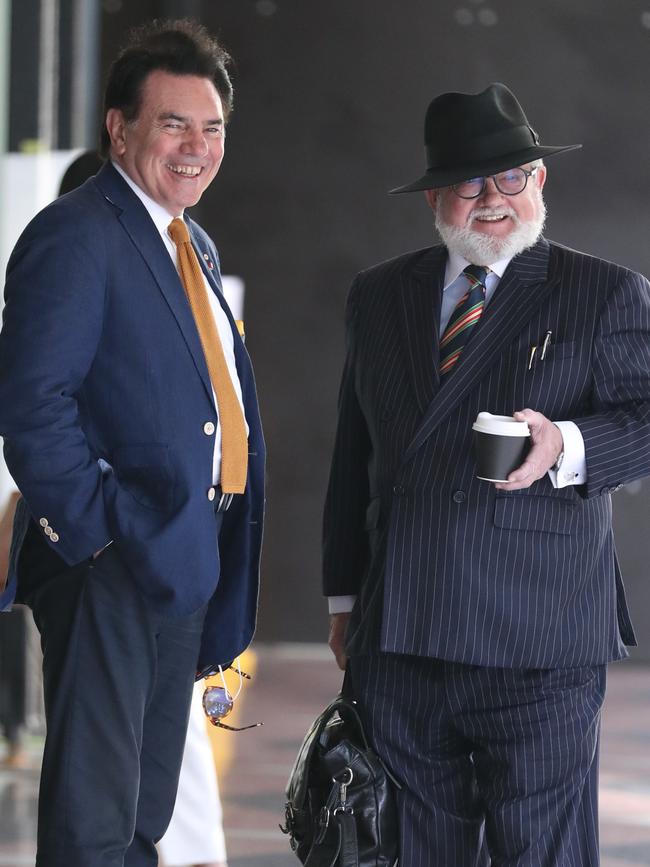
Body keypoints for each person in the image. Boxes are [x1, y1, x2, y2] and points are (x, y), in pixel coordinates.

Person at [323, 82, 650, 866]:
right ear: (436, 194)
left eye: (513, 177)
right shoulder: (379, 296)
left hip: (539, 641)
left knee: (543, 852)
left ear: (540, 180)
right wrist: (345, 599)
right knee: (414, 850)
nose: (494, 199)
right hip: (402, 634)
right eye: (472, 182)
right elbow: (352, 457)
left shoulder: (602, 293)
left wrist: (566, 443)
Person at [0, 19, 265, 867]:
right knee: (92, 823)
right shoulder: (77, 234)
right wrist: (101, 534)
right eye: (173, 124)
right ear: (119, 128)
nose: (197, 146)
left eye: (212, 127)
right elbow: (32, 403)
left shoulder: (189, 238)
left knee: (144, 819)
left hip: (179, 560)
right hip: (112, 565)